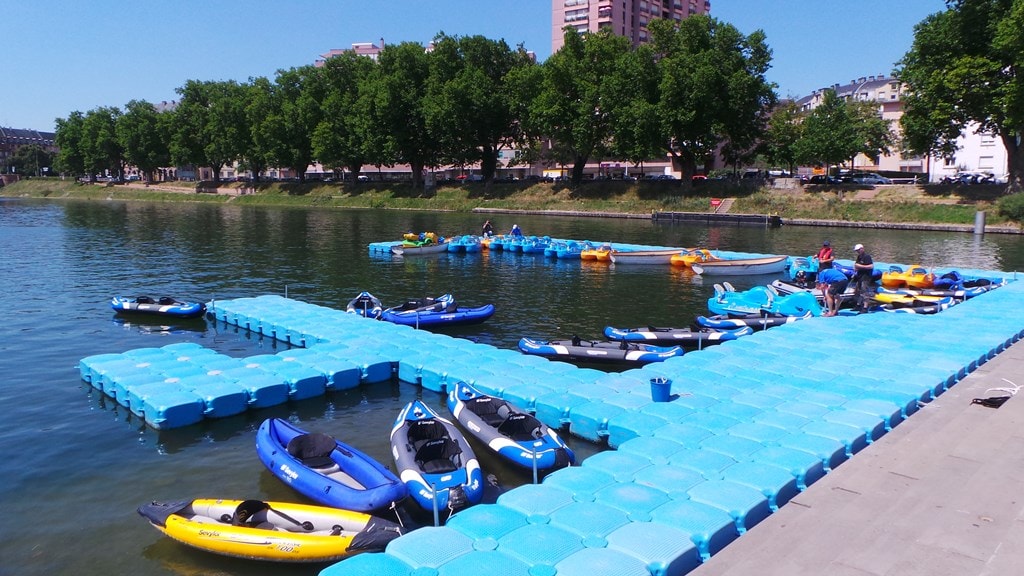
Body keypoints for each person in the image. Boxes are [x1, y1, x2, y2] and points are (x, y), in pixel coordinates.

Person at [852, 243, 875, 312]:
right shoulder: (859, 257)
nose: (857, 252)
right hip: (860, 276)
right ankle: (858, 305)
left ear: (862, 249)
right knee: (857, 291)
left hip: (866, 277)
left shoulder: (867, 256)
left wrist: (860, 266)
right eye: (857, 251)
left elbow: (871, 266)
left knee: (864, 292)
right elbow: (856, 265)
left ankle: (865, 307)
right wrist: (856, 268)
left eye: (858, 250)